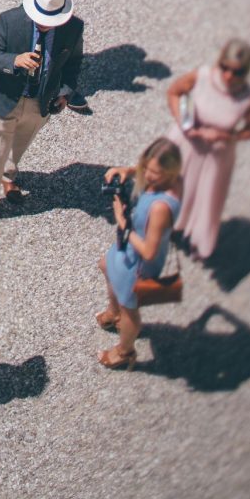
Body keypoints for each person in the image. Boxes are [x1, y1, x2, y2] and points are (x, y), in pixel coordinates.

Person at [0, 0, 84, 235]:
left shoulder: (74, 28)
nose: (46, 24)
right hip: (4, 99)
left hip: (39, 103)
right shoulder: (10, 21)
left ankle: (8, 178)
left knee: (19, 146)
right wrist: (15, 60)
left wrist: (65, 94)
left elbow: (73, 64)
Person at [165, 39, 250, 260]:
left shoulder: (249, 98)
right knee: (171, 188)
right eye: (225, 68)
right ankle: (165, 226)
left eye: (236, 72)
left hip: (216, 155)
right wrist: (182, 121)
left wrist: (228, 136)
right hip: (185, 144)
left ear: (245, 72)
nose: (228, 75)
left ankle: (197, 240)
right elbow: (174, 92)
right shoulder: (202, 76)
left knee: (205, 198)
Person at [96, 137, 184, 370]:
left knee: (130, 309)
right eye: (146, 168)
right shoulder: (170, 181)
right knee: (106, 265)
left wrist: (122, 221)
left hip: (138, 262)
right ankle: (114, 313)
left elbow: (149, 250)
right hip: (127, 249)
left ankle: (125, 351)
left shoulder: (160, 208)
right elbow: (144, 172)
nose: (148, 176)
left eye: (155, 173)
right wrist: (127, 170)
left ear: (170, 172)